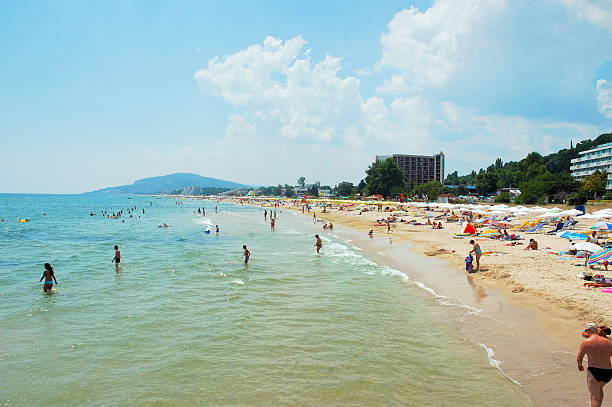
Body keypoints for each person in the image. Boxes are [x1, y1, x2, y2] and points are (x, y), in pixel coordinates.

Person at [577, 323, 612, 407]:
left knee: (594, 397)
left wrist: (580, 365)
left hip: (594, 371)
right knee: (599, 390)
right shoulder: (609, 342)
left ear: (588, 331)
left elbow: (579, 357)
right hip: (608, 372)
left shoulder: (586, 342)